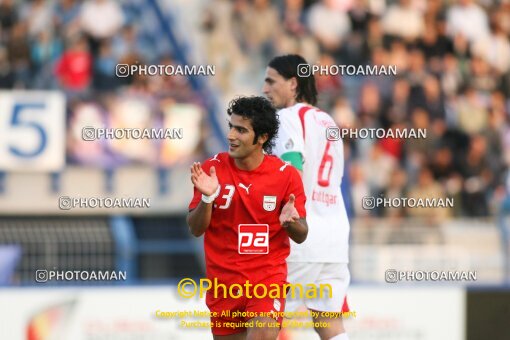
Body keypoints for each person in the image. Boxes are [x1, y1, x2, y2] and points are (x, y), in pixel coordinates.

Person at [187, 96, 308, 340]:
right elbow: (195, 228)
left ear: (262, 137)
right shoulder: (212, 169)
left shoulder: (285, 175)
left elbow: (302, 233)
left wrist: (291, 222)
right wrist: (207, 199)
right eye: (231, 126)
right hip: (224, 286)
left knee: (263, 333)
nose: (231, 135)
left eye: (241, 130)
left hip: (266, 281)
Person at [263, 54, 351, 340]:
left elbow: (293, 168)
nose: (265, 89)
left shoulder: (286, 118)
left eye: (270, 81)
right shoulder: (328, 121)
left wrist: (287, 213)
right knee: (329, 325)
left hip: (301, 236)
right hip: (335, 238)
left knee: (262, 318)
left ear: (292, 83)